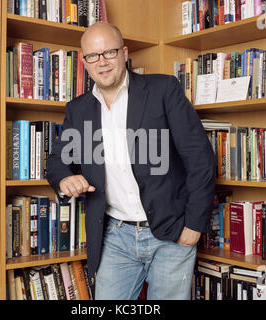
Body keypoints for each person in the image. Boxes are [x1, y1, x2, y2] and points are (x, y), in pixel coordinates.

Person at [46, 22, 215, 300]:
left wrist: (194, 227)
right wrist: (65, 177)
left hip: (171, 233)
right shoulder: (79, 109)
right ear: (84, 62)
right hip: (114, 236)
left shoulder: (163, 90)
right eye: (93, 56)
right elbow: (56, 161)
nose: (102, 62)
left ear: (124, 53)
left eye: (109, 52)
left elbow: (200, 160)